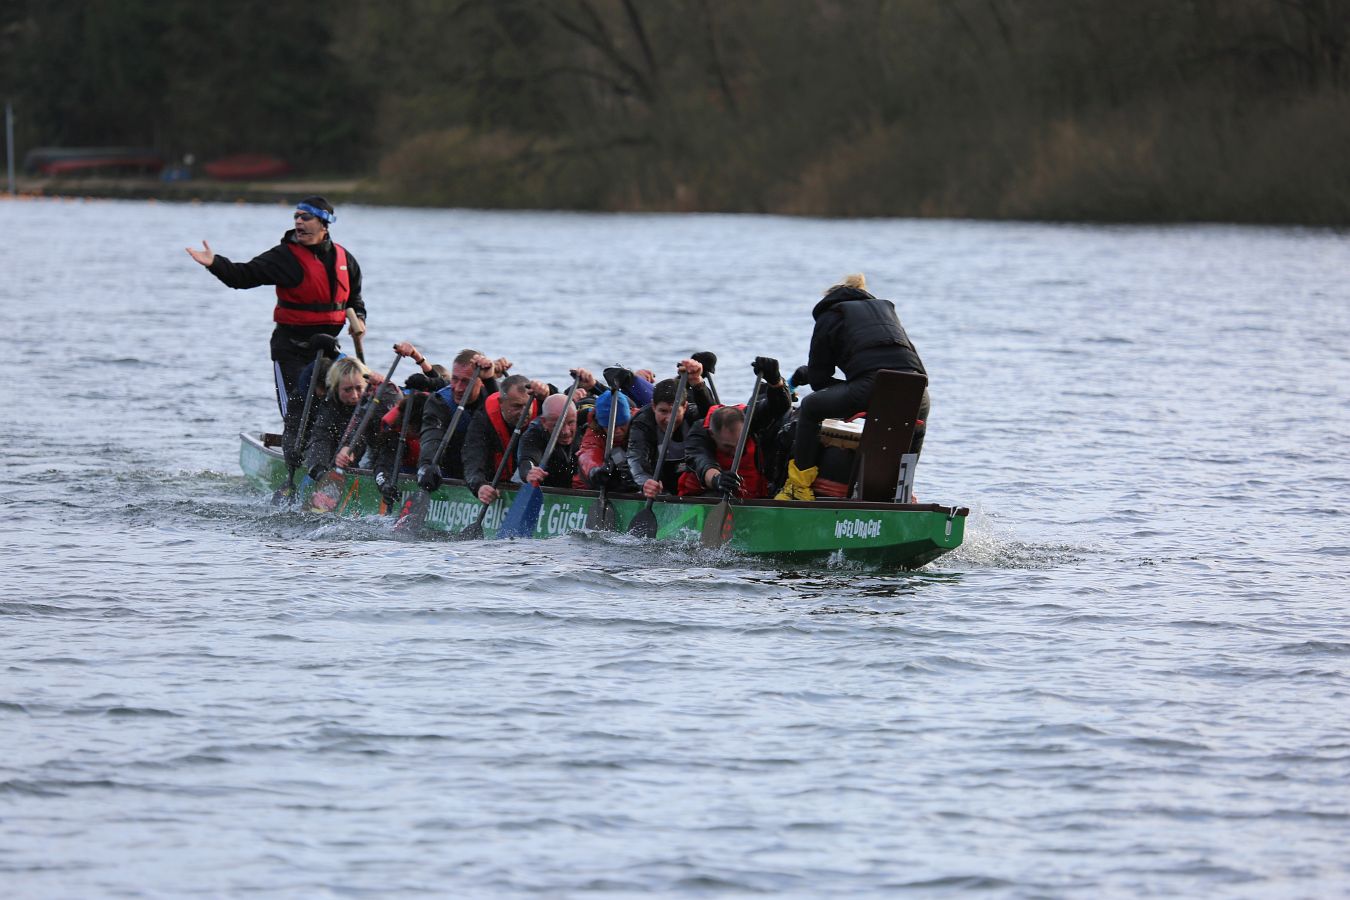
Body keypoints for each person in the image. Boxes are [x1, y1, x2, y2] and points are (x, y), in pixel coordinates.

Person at [186, 196, 366, 418]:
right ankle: (296, 439)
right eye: (296, 217)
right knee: (297, 410)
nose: (298, 222)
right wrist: (214, 263)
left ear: (323, 224)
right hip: (292, 350)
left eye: (305, 217)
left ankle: (333, 439)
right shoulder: (283, 257)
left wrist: (360, 317)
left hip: (328, 350)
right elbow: (241, 277)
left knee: (336, 408)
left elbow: (354, 297)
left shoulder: (344, 259)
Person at [777, 273, 928, 501]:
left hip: (872, 386)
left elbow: (818, 381)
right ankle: (902, 494)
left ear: (830, 298)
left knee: (810, 407)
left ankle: (798, 488)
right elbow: (912, 364)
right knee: (913, 428)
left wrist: (819, 378)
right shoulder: (886, 313)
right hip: (918, 391)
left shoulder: (830, 314)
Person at [679, 357, 790, 499]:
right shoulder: (699, 433)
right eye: (728, 447)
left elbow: (779, 407)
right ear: (712, 434)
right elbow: (702, 461)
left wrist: (775, 381)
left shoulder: (749, 418)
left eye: (739, 445)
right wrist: (717, 479)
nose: (735, 452)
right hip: (709, 496)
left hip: (754, 495)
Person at [416, 349, 511, 491]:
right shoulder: (440, 402)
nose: (458, 388)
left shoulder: (492, 396)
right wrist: (426, 466)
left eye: (466, 381)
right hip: (450, 472)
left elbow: (503, 421)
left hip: (488, 476)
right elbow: (431, 437)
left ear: (481, 382)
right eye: (455, 379)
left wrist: (490, 379)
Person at [626, 358, 716, 499]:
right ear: (653, 406)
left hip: (691, 483)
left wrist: (697, 383)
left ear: (685, 406)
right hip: (657, 483)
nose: (669, 419)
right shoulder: (643, 422)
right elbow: (636, 457)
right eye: (663, 411)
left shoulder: (692, 415)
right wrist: (645, 482)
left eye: (675, 412)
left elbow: (712, 416)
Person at [463, 374, 550, 505]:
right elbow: (473, 458)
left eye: (527, 405)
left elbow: (558, 403)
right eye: (517, 406)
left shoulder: (541, 407)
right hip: (494, 481)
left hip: (531, 472)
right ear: (501, 403)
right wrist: (479, 486)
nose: (524, 412)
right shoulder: (482, 420)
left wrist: (547, 392)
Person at [573, 388, 639, 492]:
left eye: (622, 424)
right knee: (616, 453)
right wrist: (594, 471)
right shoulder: (595, 431)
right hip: (606, 477)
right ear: (601, 424)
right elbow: (588, 452)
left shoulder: (641, 422)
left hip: (640, 474)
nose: (618, 431)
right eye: (611, 427)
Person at [516, 392, 580, 488]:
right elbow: (527, 459)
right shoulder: (534, 433)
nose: (566, 432)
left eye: (571, 423)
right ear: (544, 422)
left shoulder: (586, 420)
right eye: (557, 425)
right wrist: (530, 472)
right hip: (548, 487)